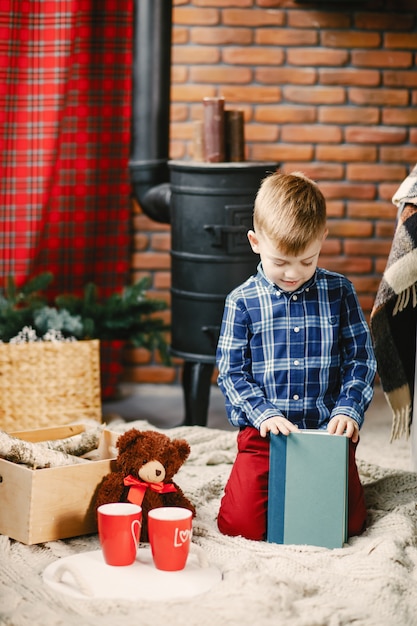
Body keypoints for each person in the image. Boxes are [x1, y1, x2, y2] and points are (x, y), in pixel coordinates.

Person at [216, 171, 377, 542]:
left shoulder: (340, 292)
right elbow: (231, 374)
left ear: (322, 239)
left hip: (326, 433)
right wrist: (264, 414)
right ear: (256, 243)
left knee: (347, 526)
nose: (293, 273)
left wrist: (347, 410)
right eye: (281, 261)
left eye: (307, 261)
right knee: (240, 526)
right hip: (264, 435)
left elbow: (361, 361)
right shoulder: (242, 301)